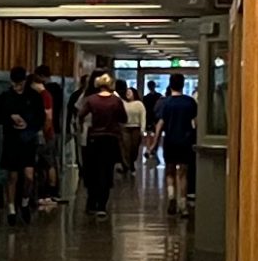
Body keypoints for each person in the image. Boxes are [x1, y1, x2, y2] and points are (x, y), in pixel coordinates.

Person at [0, 68, 43, 224]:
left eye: (20, 83)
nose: (17, 86)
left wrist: (29, 125)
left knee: (28, 176)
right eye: (15, 83)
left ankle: (25, 202)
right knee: (12, 176)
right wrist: (10, 117)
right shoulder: (5, 97)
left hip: (28, 140)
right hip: (12, 140)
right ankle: (12, 209)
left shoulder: (34, 97)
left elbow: (40, 117)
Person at [77, 70, 130, 217]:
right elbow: (123, 118)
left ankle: (91, 201)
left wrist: (81, 127)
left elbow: (80, 115)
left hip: (94, 138)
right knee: (106, 170)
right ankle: (102, 205)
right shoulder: (116, 101)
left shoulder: (91, 100)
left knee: (92, 170)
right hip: (111, 139)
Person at [154, 71, 200, 216]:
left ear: (170, 84)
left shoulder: (165, 103)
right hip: (186, 141)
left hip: (170, 141)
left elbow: (160, 124)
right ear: (182, 84)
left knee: (170, 171)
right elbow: (196, 122)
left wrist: (154, 143)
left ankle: (171, 197)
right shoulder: (190, 102)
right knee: (183, 173)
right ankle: (183, 205)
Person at [32, 64, 64, 208]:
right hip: (51, 132)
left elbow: (48, 117)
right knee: (50, 162)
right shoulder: (52, 92)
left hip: (46, 133)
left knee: (46, 162)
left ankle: (48, 192)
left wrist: (44, 133)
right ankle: (52, 191)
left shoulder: (44, 95)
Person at [141, 80, 165, 164]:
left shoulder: (145, 97)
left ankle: (148, 149)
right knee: (156, 134)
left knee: (148, 135)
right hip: (157, 118)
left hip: (149, 118)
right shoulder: (159, 96)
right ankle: (153, 149)